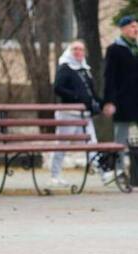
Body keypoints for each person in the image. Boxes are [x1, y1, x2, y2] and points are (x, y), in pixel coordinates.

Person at [50, 40, 103, 187]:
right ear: (70, 51)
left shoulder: (85, 69)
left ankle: (103, 172)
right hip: (68, 113)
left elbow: (91, 92)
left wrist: (101, 103)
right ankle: (55, 175)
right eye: (75, 49)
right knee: (62, 144)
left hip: (84, 115)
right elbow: (58, 88)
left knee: (92, 143)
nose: (78, 52)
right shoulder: (65, 68)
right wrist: (76, 97)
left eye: (81, 50)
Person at [104, 15, 138, 171]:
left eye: (136, 26)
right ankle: (118, 170)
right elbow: (109, 77)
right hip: (123, 99)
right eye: (132, 26)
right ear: (123, 29)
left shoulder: (136, 48)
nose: (135, 29)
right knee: (121, 137)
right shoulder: (115, 49)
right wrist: (109, 101)